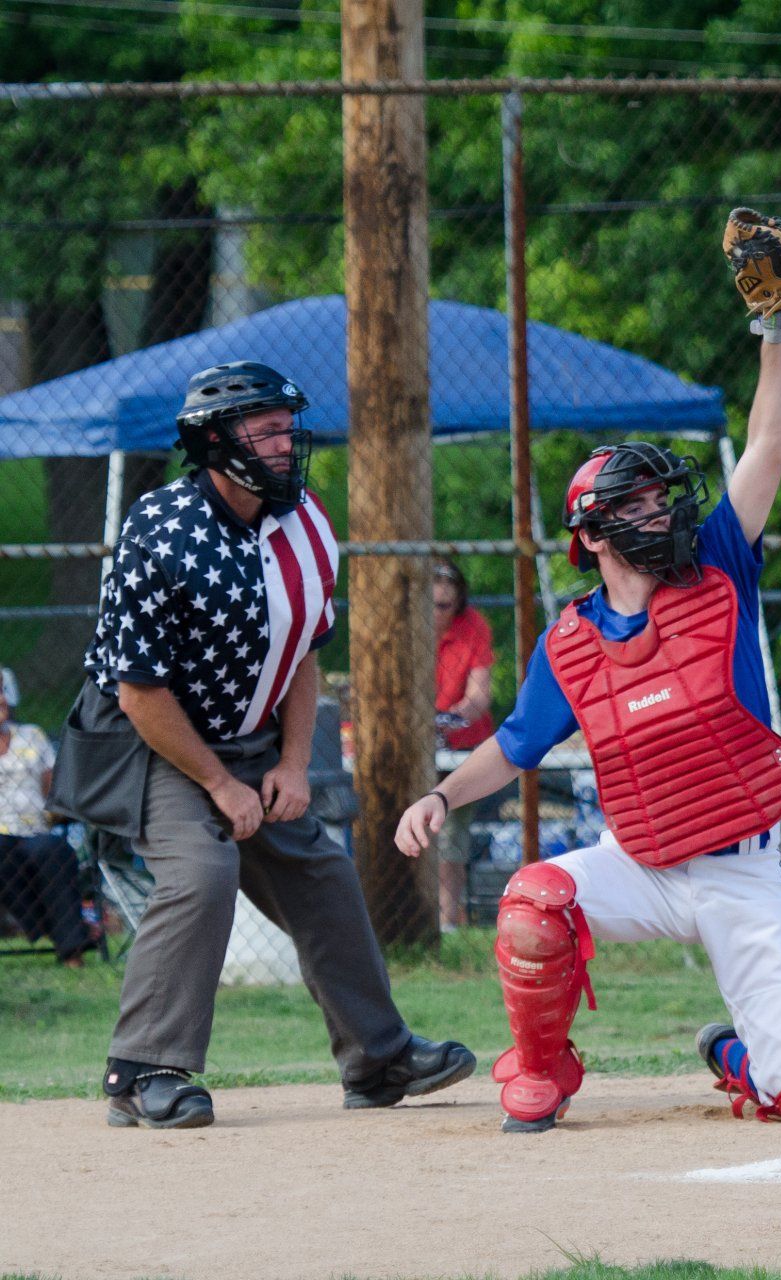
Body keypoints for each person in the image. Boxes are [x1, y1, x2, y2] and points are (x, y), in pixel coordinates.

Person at [396, 207, 781, 1134]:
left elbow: (768, 446)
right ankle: (544, 1064)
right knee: (533, 900)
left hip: (740, 868)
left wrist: (776, 330)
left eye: (660, 494)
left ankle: (737, 1053)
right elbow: (514, 745)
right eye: (634, 502)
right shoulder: (571, 639)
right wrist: (442, 795)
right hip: (640, 862)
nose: (660, 509)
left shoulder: (717, 565)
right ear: (592, 536)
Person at [51, 360, 475, 1130]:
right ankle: (141, 1069)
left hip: (251, 738)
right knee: (204, 868)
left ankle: (377, 1059)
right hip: (144, 741)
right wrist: (220, 784)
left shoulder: (305, 521)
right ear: (216, 439)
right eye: (268, 428)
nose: (288, 442)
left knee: (321, 872)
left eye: (288, 426)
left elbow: (305, 651)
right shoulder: (163, 527)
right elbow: (140, 691)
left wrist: (289, 763)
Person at [0, 667, 95, 967]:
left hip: (36, 833)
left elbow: (54, 794)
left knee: (53, 851)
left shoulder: (31, 736)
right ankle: (59, 931)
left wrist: (64, 808)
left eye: (1, 692)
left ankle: (70, 953)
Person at [430, 559, 496, 927]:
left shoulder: (472, 626)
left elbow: (478, 698)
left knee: (450, 833)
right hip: (415, 746)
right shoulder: (406, 624)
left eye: (445, 604)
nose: (438, 609)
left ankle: (447, 921)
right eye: (431, 600)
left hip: (461, 746)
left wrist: (443, 721)